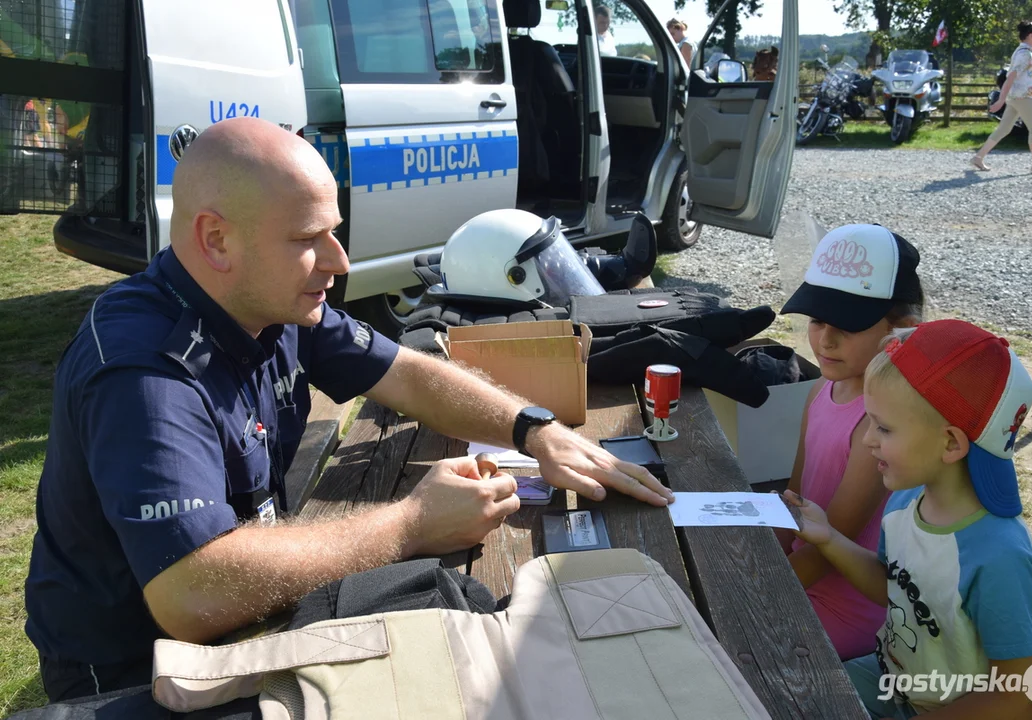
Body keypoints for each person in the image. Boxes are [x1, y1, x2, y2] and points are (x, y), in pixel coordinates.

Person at [23, 117, 673, 703]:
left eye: (335, 233)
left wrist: (533, 429)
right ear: (216, 240)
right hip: (140, 675)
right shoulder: (144, 375)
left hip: (240, 623)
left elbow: (409, 375)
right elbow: (192, 593)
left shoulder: (265, 300)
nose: (338, 263)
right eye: (310, 238)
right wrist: (411, 523)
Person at [785, 319, 1032, 720]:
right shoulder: (906, 502)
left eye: (884, 427)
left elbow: (1020, 696)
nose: (868, 438)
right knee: (795, 695)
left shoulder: (999, 558)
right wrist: (828, 538)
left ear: (950, 443)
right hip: (899, 680)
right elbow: (895, 586)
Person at [776, 224, 923, 661]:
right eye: (817, 320)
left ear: (903, 332)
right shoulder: (820, 389)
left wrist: (762, 586)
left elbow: (830, 543)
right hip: (801, 573)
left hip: (847, 608)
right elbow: (794, 500)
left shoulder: (877, 425)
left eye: (847, 326)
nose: (825, 339)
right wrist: (770, 557)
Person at [972, 20, 1032, 174]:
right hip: (1023, 97)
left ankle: (978, 157)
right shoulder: (1024, 54)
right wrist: (1001, 100)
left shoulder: (1026, 51)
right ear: (1030, 35)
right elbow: (1011, 77)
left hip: (1018, 96)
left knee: (1004, 129)